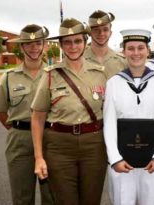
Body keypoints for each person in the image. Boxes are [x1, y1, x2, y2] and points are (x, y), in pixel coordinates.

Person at [31, 18, 108, 205]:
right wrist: (39, 158)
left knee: (91, 200)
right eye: (67, 42)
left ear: (85, 42)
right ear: (61, 45)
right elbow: (37, 117)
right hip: (59, 147)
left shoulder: (101, 73)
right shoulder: (50, 74)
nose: (73, 46)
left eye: (77, 41)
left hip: (94, 145)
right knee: (65, 200)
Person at [103, 29, 154, 205]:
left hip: (153, 161)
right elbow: (109, 124)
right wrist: (115, 158)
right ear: (123, 52)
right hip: (123, 162)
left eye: (140, 48)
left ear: (148, 51)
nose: (136, 53)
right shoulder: (114, 83)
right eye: (130, 48)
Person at [0, 24, 54, 205]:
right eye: (28, 44)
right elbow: (0, 111)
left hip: (51, 139)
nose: (34, 48)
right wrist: (18, 129)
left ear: (44, 45)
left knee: (52, 197)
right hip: (20, 141)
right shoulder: (9, 77)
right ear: (21, 47)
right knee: (22, 198)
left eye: (38, 43)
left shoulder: (55, 74)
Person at [85, 10, 127, 77]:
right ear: (90, 33)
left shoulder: (122, 62)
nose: (101, 33)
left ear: (110, 33)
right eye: (96, 30)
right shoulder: (79, 60)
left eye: (105, 29)